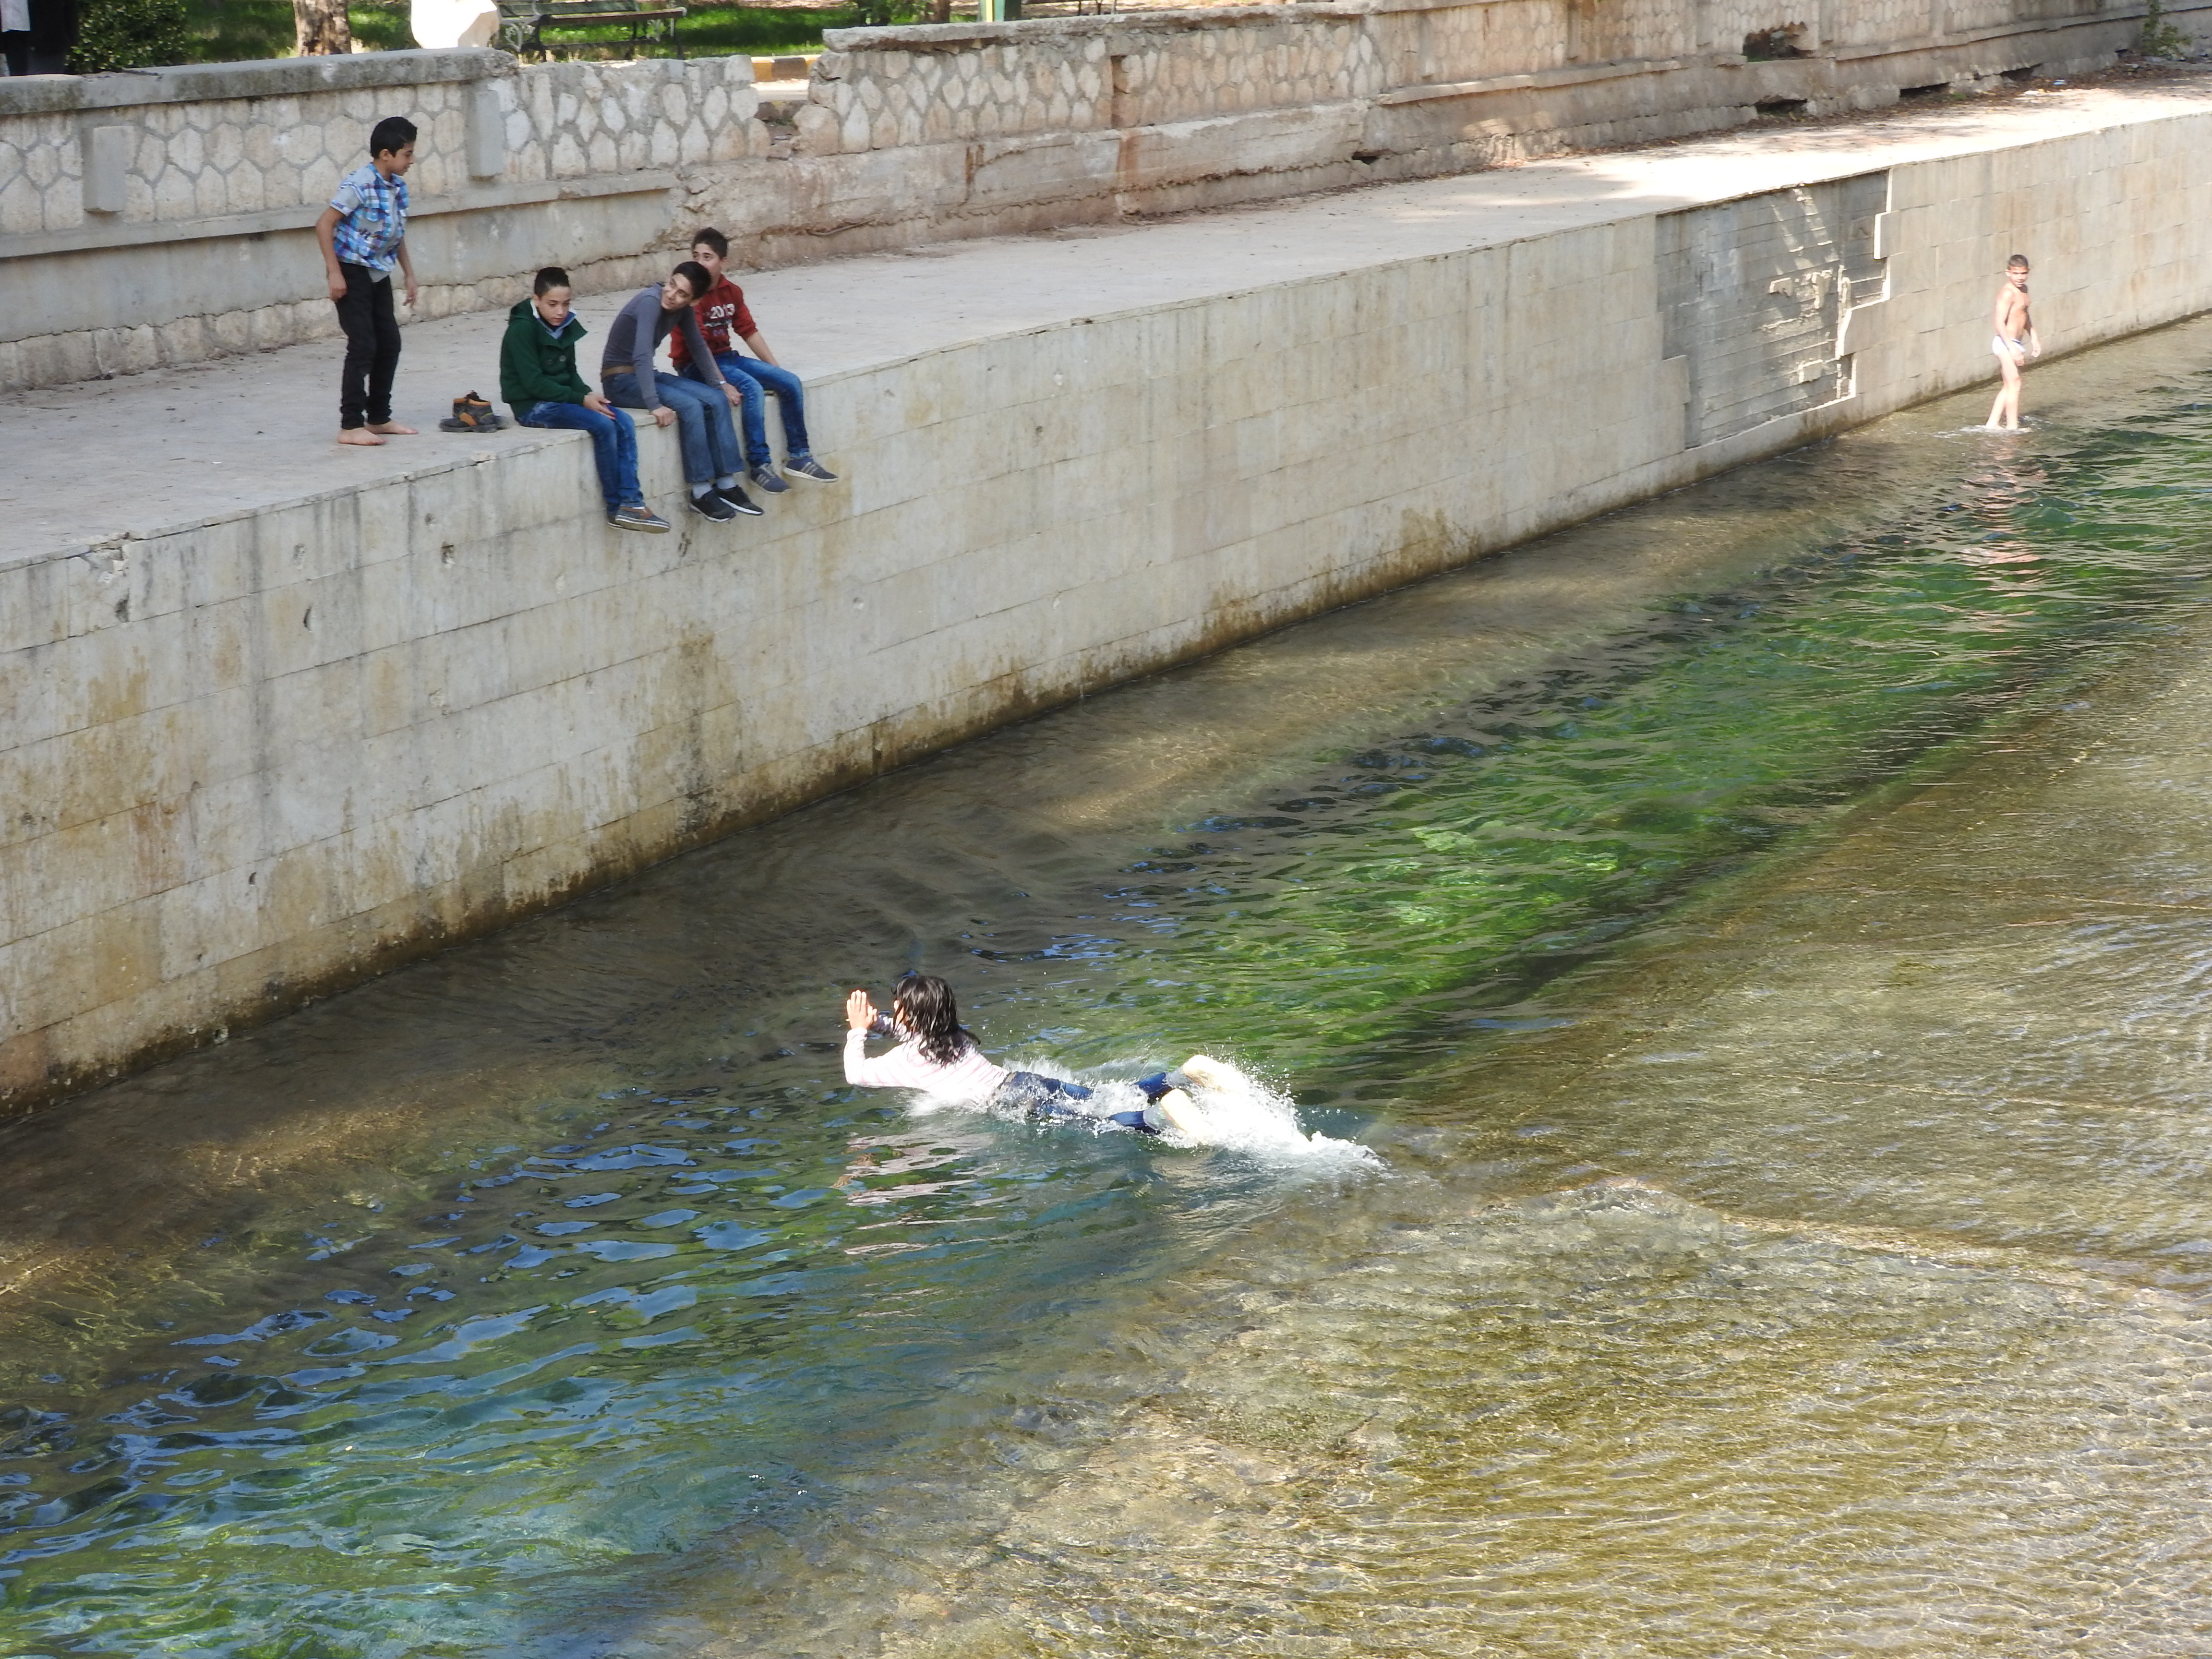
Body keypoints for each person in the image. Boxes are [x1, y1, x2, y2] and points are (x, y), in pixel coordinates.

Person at [841, 974, 1204, 1136]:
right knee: (1102, 1097)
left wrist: (858, 1030)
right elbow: (915, 1032)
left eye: (897, 1006)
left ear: (910, 1014)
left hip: (1013, 1102)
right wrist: (880, 1025)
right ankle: (1180, 1077)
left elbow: (855, 1074)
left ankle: (1159, 1119)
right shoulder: (952, 1035)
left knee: (1098, 1124)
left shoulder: (908, 1061)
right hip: (1023, 1081)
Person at [501, 265, 671, 535]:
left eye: (566, 304)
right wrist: (579, 399)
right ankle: (616, 508)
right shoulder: (522, 330)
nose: (560, 312)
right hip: (533, 406)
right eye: (552, 305)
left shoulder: (564, 325)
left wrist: (588, 394)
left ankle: (632, 502)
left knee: (622, 420)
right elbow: (533, 384)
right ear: (537, 301)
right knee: (602, 426)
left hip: (562, 399)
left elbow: (570, 373)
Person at [674, 227, 840, 494]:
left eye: (708, 257)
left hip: (727, 358)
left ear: (723, 262)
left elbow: (748, 330)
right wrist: (720, 383)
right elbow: (699, 346)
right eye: (696, 256)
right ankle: (760, 465)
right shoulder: (691, 296)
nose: (700, 262)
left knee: (790, 382)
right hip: (696, 365)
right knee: (751, 388)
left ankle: (799, 456)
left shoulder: (732, 291)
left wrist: (773, 368)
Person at [600, 262, 757, 522]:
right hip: (619, 380)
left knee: (716, 399)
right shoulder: (651, 300)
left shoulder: (682, 311)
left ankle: (727, 483)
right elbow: (640, 355)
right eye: (672, 285)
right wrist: (654, 404)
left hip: (644, 374)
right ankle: (700, 491)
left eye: (682, 294)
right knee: (691, 406)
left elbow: (698, 347)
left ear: (694, 301)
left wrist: (721, 384)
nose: (672, 295)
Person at [315, 116, 421, 448]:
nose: (411, 160)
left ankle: (378, 417)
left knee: (389, 343)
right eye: (407, 154)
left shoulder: (398, 188)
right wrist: (334, 272)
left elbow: (396, 233)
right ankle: (350, 424)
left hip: (378, 272)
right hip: (352, 271)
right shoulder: (359, 184)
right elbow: (324, 225)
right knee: (363, 345)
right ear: (386, 154)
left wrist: (410, 274)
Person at [1986, 253, 2040, 432]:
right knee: (2015, 382)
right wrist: (2012, 349)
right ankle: (2012, 427)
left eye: (2023, 274)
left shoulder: (2024, 291)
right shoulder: (2007, 293)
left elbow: (2024, 315)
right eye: (2016, 274)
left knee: (2009, 385)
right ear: (2008, 273)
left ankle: (1992, 423)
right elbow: (1999, 322)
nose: (2020, 277)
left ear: (2028, 273)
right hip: (2004, 342)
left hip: (2015, 342)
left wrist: (2034, 336)